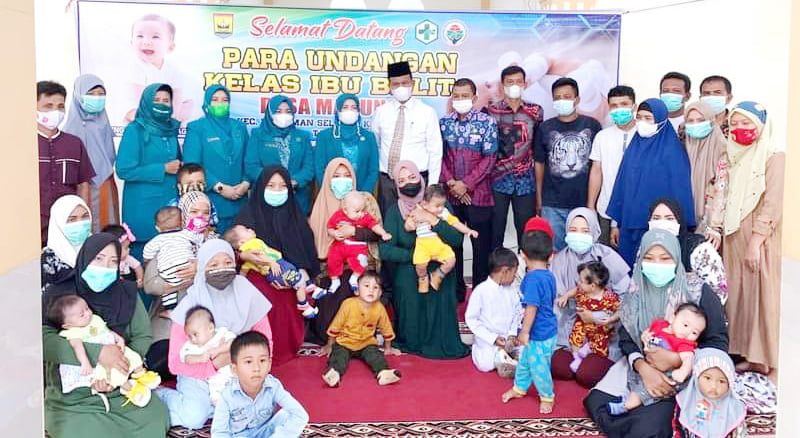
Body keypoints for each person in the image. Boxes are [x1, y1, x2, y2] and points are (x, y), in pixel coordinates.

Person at [583, 229, 728, 438]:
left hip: (688, 372)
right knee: (596, 402)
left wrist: (676, 360)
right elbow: (627, 339)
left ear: (676, 259)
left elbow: (718, 341)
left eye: (665, 258)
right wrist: (643, 368)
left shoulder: (698, 291)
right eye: (649, 258)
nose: (657, 264)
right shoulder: (635, 291)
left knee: (648, 428)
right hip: (641, 365)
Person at [42, 233, 169, 437]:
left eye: (113, 261)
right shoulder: (58, 294)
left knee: (156, 417)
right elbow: (45, 341)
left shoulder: (126, 293)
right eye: (98, 259)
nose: (105, 267)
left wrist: (119, 365)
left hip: (120, 386)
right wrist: (98, 353)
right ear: (84, 259)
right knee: (89, 431)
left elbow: (142, 336)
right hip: (74, 397)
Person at [157, 239, 273, 430]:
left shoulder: (247, 292)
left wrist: (251, 369)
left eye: (228, 262)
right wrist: (214, 365)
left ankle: (215, 407)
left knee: (260, 414)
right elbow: (175, 363)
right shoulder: (190, 305)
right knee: (193, 418)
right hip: (198, 373)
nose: (222, 269)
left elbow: (265, 342)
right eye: (213, 265)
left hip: (238, 369)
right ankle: (162, 395)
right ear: (202, 267)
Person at [379, 161, 470, 359]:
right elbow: (385, 250)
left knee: (440, 283)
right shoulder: (395, 211)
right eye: (402, 180)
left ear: (420, 178)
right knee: (408, 285)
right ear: (396, 186)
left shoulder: (439, 205)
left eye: (412, 177)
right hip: (410, 268)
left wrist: (432, 220)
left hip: (440, 267)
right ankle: (412, 339)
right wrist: (413, 256)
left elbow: (457, 239)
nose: (408, 183)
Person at [722, 102, 784, 382]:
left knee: (761, 295)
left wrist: (756, 242)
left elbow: (773, 203)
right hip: (734, 233)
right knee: (739, 296)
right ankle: (750, 355)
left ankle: (768, 361)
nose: (740, 129)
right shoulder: (734, 155)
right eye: (734, 124)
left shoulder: (774, 157)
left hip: (759, 237)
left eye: (746, 123)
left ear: (760, 125)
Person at [235, 166, 320, 365]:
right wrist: (246, 256)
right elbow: (236, 248)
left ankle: (285, 347)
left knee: (292, 294)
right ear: (261, 187)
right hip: (257, 272)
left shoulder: (294, 213)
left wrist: (292, 276)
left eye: (282, 186)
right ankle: (260, 351)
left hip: (290, 273)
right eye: (271, 186)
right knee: (264, 296)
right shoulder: (249, 214)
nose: (277, 191)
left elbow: (305, 252)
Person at [607, 98, 695, 266]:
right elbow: (622, 187)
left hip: (661, 229)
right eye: (639, 117)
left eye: (648, 118)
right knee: (630, 271)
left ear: (661, 120)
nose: (642, 122)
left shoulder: (673, 151)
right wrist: (616, 223)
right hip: (629, 228)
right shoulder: (634, 147)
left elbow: (680, 191)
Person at [549, 207, 630, 387]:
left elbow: (626, 297)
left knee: (588, 375)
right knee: (559, 368)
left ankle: (592, 360)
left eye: (585, 231)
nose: (578, 235)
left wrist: (599, 317)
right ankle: (576, 354)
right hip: (570, 326)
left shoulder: (607, 256)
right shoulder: (559, 260)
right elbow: (556, 301)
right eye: (573, 230)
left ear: (594, 231)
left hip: (605, 328)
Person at [307, 158, 385, 344]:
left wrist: (354, 231)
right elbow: (313, 243)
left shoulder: (365, 200)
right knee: (329, 304)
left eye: (347, 175)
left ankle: (358, 338)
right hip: (328, 267)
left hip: (359, 264)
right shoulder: (321, 203)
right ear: (327, 178)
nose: (342, 180)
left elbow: (377, 233)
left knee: (350, 288)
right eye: (336, 176)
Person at [440, 77, 498, 297]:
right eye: (456, 96)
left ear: (474, 98)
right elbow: (439, 157)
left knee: (480, 247)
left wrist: (466, 185)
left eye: (465, 96)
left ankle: (480, 293)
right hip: (450, 196)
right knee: (452, 244)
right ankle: (455, 293)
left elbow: (490, 158)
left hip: (479, 195)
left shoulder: (487, 122)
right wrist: (453, 185)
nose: (460, 99)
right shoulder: (444, 123)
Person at [46, 295, 157, 407]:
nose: (88, 313)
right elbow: (78, 348)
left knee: (134, 357)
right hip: (97, 362)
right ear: (67, 325)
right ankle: (130, 389)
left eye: (87, 308)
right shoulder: (73, 332)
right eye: (82, 315)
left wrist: (119, 339)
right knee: (112, 376)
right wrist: (85, 362)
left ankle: (141, 375)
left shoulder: (94, 320)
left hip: (115, 349)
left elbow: (106, 331)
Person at [534, 77, 602, 250]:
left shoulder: (592, 125)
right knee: (554, 252)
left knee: (584, 252)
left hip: (584, 203)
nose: (562, 100)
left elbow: (597, 167)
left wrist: (592, 204)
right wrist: (539, 200)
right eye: (557, 97)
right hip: (553, 204)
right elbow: (539, 164)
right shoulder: (545, 127)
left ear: (577, 99)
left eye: (567, 96)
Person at [116, 83, 181, 259]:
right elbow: (123, 170)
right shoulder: (135, 130)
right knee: (143, 260)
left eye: (166, 101)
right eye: (156, 100)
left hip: (169, 206)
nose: (161, 104)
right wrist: (162, 169)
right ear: (146, 102)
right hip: (143, 208)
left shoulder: (171, 130)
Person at [608, 303, 707, 415]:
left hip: (666, 374)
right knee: (633, 376)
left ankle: (627, 405)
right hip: (648, 363)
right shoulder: (660, 325)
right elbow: (648, 333)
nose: (687, 332)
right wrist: (645, 337)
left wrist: (683, 371)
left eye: (694, 332)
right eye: (685, 325)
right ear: (673, 318)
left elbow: (688, 359)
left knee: (643, 391)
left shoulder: (684, 343)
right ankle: (628, 394)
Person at [484, 65, 543, 250]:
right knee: (495, 232)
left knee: (526, 233)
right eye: (510, 82)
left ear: (525, 84)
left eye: (518, 81)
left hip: (525, 181)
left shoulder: (535, 111)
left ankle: (525, 266)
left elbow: (538, 147)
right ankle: (495, 267)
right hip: (497, 180)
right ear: (502, 85)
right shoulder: (490, 111)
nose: (514, 85)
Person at [373, 61, 443, 212]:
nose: (401, 87)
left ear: (412, 83)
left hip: (417, 181)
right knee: (389, 221)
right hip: (388, 181)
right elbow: (376, 144)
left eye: (405, 83)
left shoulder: (427, 112)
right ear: (389, 86)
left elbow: (435, 151)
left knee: (417, 221)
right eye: (396, 84)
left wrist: (432, 184)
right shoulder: (381, 112)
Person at [501, 229, 558, 414]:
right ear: (550, 255)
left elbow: (532, 307)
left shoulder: (532, 279)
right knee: (525, 361)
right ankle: (520, 387)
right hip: (545, 329)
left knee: (539, 367)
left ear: (523, 255)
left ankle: (547, 396)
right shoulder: (548, 274)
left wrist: (525, 332)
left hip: (539, 333)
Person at [211, 331, 309, 437]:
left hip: (267, 432)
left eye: (262, 360)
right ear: (234, 369)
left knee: (287, 414)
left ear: (269, 364)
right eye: (248, 362)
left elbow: (300, 414)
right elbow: (219, 432)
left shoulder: (273, 386)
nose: (256, 368)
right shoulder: (227, 395)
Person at [183, 84, 250, 233]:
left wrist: (246, 183)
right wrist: (219, 187)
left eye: (225, 100)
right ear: (207, 103)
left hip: (240, 202)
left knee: (240, 244)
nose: (220, 103)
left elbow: (249, 159)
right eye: (215, 99)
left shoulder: (239, 127)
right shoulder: (197, 127)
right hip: (210, 203)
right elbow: (192, 165)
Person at [37, 80, 95, 244]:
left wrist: (84, 220)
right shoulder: (23, 144)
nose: (55, 112)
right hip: (33, 223)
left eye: (60, 106)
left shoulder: (74, 143)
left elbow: (83, 184)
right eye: (48, 106)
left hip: (68, 226)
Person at [320, 271, 402, 387]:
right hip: (344, 342)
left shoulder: (379, 308)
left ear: (380, 293)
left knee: (376, 356)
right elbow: (336, 325)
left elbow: (386, 328)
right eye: (366, 286)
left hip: (366, 343)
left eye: (375, 287)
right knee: (338, 357)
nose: (371, 290)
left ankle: (384, 373)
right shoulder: (348, 304)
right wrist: (329, 345)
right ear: (357, 290)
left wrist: (388, 347)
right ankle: (334, 374)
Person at [224, 224, 323, 318]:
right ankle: (305, 306)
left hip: (272, 274)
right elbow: (260, 256)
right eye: (246, 230)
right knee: (299, 283)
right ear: (241, 242)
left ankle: (310, 290)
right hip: (277, 268)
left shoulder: (248, 254)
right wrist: (271, 262)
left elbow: (243, 271)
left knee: (297, 279)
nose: (250, 229)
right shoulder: (252, 244)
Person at [63, 74, 119, 231]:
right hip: (81, 185)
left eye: (101, 94)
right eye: (91, 94)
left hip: (105, 182)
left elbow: (109, 154)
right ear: (79, 95)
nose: (97, 98)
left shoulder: (103, 121)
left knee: (108, 225)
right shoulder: (71, 127)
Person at [121, 14, 197, 123]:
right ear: (131, 43)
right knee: (134, 113)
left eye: (155, 37)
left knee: (189, 104)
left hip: (164, 111)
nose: (146, 41)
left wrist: (174, 116)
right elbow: (140, 100)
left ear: (170, 46)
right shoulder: (135, 66)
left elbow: (177, 96)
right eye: (140, 36)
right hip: (139, 112)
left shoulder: (174, 69)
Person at [648, 199, 728, 303]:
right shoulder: (646, 247)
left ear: (679, 222)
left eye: (669, 218)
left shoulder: (699, 250)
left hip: (695, 309)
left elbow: (719, 292)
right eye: (656, 218)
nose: (662, 223)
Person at [245, 95, 314, 215]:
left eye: (288, 111)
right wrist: (274, 183)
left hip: (297, 199)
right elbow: (251, 166)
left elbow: (309, 167)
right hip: (266, 196)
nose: (284, 115)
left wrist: (294, 182)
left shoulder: (303, 136)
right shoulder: (258, 134)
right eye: (278, 111)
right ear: (270, 113)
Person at [588, 85, 637, 245]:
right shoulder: (602, 136)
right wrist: (591, 205)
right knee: (604, 254)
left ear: (634, 106)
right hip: (606, 208)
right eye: (614, 106)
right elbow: (596, 171)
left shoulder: (644, 134)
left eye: (624, 104)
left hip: (634, 210)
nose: (619, 109)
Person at [409, 184, 478, 293]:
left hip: (439, 244)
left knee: (451, 260)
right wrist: (411, 224)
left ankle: (438, 275)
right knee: (420, 265)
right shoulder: (418, 211)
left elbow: (455, 223)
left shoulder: (444, 213)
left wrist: (468, 231)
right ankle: (423, 279)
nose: (440, 208)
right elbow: (409, 225)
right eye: (437, 206)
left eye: (442, 205)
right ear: (425, 204)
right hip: (422, 245)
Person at [464, 248, 522, 376]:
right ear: (504, 272)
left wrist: (512, 334)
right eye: (514, 273)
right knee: (485, 363)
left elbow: (517, 313)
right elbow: (471, 319)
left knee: (526, 351)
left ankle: (507, 360)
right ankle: (503, 360)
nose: (515, 276)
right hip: (488, 341)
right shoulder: (481, 291)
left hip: (508, 339)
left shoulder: (512, 290)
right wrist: (493, 338)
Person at [556, 261, 620, 373]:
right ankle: (576, 357)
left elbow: (620, 311)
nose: (578, 283)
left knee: (600, 341)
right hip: (582, 324)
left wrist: (610, 319)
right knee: (576, 336)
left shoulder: (610, 297)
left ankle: (588, 350)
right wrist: (565, 296)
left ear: (593, 286)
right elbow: (574, 291)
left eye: (581, 281)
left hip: (600, 327)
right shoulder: (581, 292)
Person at [142, 206, 204, 314]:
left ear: (157, 228)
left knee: (168, 292)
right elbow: (198, 238)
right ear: (182, 223)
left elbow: (147, 251)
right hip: (187, 267)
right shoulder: (185, 234)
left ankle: (170, 310)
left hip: (167, 273)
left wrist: (147, 260)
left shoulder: (157, 240)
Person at [674, 348, 748, 438]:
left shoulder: (734, 409)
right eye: (707, 378)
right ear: (697, 377)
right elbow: (677, 429)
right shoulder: (686, 401)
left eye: (721, 381)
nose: (714, 386)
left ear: (729, 385)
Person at [326, 191, 392, 292]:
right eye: (357, 211)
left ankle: (355, 277)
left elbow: (374, 226)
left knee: (362, 262)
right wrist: (334, 233)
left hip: (357, 246)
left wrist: (383, 233)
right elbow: (330, 227)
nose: (360, 214)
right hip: (340, 245)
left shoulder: (364, 217)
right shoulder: (338, 215)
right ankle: (334, 280)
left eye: (362, 210)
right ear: (345, 210)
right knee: (332, 260)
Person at [314, 94, 379, 193]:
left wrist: (364, 194)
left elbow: (373, 170)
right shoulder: (324, 136)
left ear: (358, 111)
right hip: (333, 193)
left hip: (361, 194)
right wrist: (331, 192)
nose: (350, 111)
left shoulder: (369, 137)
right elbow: (320, 169)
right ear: (338, 110)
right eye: (345, 107)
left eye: (354, 107)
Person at [683, 101, 728, 236]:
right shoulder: (682, 147)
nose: (695, 124)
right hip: (686, 220)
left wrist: (714, 226)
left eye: (700, 120)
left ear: (711, 121)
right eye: (690, 121)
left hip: (713, 225)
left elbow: (723, 189)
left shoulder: (722, 149)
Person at [179, 305, 236, 405]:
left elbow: (234, 342)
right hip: (216, 378)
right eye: (189, 336)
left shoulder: (221, 334)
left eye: (195, 334)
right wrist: (200, 358)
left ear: (210, 328)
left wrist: (218, 350)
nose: (193, 339)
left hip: (234, 371)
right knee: (218, 396)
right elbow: (186, 358)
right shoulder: (193, 346)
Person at [42, 195, 92, 291]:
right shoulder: (48, 259)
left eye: (85, 217)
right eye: (72, 219)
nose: (80, 223)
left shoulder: (98, 248)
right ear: (58, 222)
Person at [167, 163, 219, 231]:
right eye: (189, 183)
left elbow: (214, 226)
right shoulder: (174, 204)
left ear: (205, 185)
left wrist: (207, 228)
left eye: (200, 182)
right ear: (179, 187)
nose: (195, 187)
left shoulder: (208, 203)